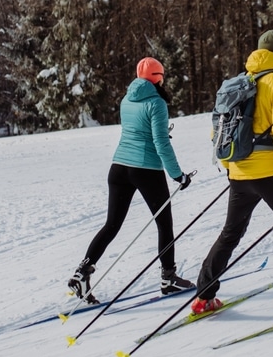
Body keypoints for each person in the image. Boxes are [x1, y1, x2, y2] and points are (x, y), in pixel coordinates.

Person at [191, 30, 273, 320]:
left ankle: (203, 297)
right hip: (270, 172)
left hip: (238, 172)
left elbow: (218, 131)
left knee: (231, 233)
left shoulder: (240, 83)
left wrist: (233, 167)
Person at [68, 57, 195, 303]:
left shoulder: (127, 99)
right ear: (159, 78)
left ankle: (82, 272)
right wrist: (178, 175)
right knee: (164, 224)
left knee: (112, 224)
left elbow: (138, 131)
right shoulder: (157, 103)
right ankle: (169, 280)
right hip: (145, 169)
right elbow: (160, 142)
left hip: (119, 168)